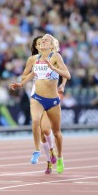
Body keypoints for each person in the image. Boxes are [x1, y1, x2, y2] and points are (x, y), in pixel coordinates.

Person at [10, 34, 71, 174]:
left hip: (52, 99)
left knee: (56, 133)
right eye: (41, 40)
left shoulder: (55, 57)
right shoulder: (35, 59)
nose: (43, 41)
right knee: (38, 123)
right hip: (37, 97)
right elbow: (30, 74)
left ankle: (60, 157)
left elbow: (67, 75)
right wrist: (22, 83)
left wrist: (59, 79)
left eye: (46, 40)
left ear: (51, 45)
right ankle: (38, 151)